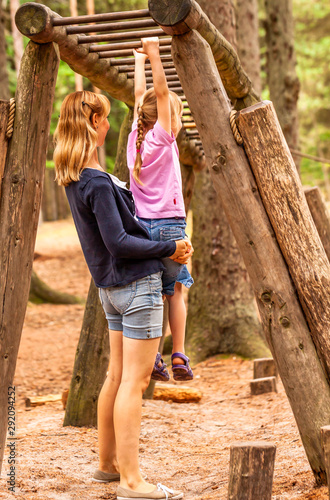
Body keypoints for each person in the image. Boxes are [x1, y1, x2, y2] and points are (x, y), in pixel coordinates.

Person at [53, 90, 192, 500]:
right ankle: (132, 482)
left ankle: (107, 465)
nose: (110, 124)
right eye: (106, 118)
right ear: (93, 122)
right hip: (135, 286)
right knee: (135, 380)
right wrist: (168, 247)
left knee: (116, 377)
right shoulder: (95, 181)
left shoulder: (76, 177)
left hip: (110, 291)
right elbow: (118, 241)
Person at [127, 37, 194, 383]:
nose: (177, 118)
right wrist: (154, 56)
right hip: (170, 228)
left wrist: (137, 61)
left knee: (152, 293)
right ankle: (179, 352)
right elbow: (159, 93)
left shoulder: (135, 139)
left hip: (141, 230)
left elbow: (142, 98)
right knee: (175, 291)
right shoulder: (162, 137)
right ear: (166, 117)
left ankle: (154, 356)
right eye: (175, 113)